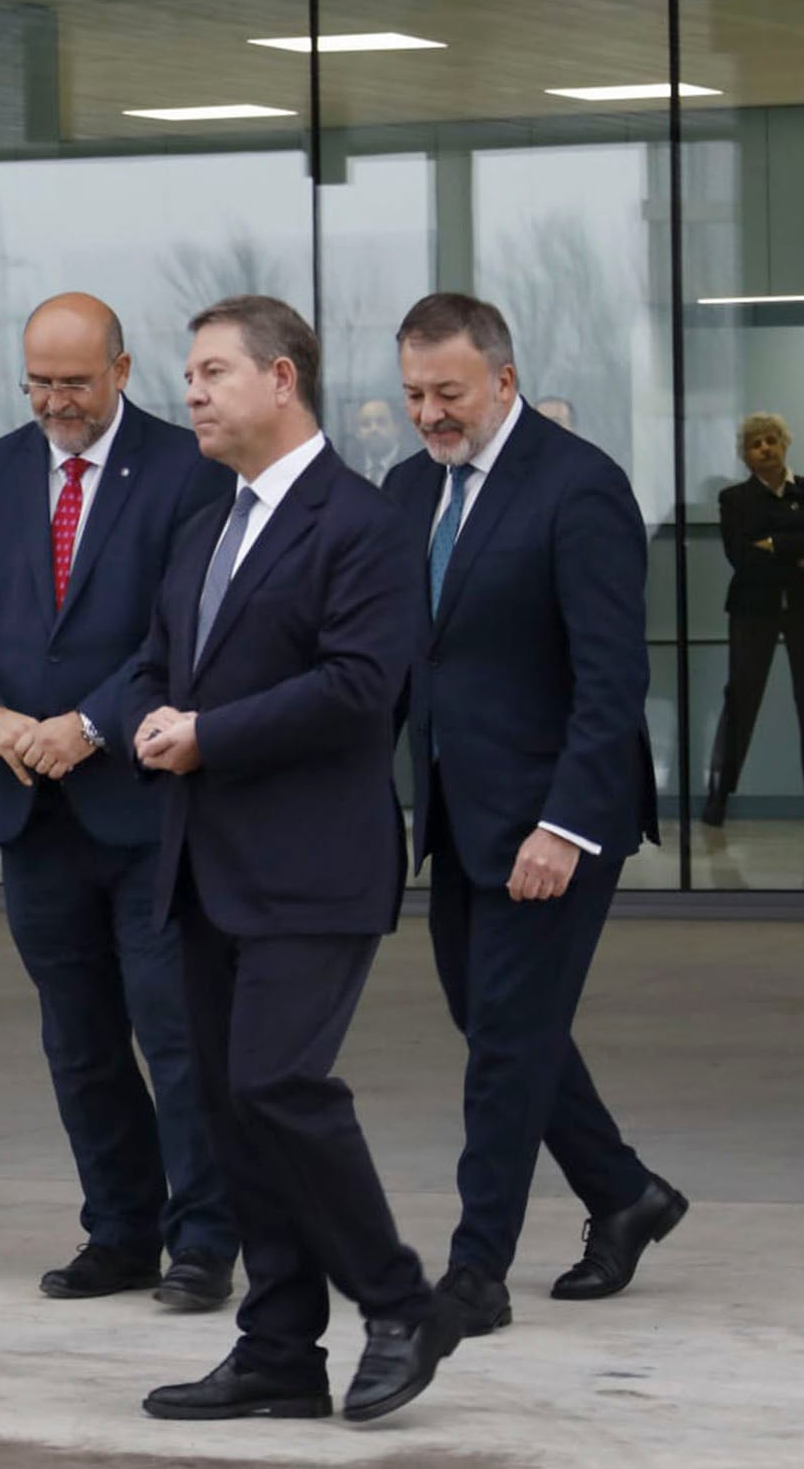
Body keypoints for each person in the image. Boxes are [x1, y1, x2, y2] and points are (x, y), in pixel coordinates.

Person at [129, 296, 454, 1426]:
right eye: (191, 374)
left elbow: (364, 687)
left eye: (215, 371)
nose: (194, 393)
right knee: (232, 1106)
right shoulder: (207, 526)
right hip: (205, 864)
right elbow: (158, 661)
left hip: (313, 865)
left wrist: (208, 733)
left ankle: (405, 1303)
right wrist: (115, 719)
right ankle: (277, 1345)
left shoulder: (359, 523)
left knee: (278, 1083)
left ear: (283, 379)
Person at [0, 292, 236, 1311]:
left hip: (143, 806)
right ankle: (120, 1230)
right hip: (29, 813)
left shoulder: (186, 471)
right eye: (39, 382)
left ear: (123, 372)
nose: (56, 402)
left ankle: (203, 1240)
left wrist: (87, 724)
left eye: (76, 384)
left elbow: (178, 636)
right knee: (78, 1036)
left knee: (173, 1029)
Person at [383, 293, 682, 1337]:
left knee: (507, 1040)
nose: (429, 414)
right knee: (499, 1022)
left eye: (449, 392)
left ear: (503, 381)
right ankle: (626, 1193)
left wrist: (565, 826)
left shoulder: (579, 487)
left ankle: (474, 1274)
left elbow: (611, 682)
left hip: (556, 819)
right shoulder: (407, 486)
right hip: (461, 817)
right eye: (415, 393)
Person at [703, 411, 804, 826]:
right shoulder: (734, 499)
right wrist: (794, 551)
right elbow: (740, 557)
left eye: (771, 440)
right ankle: (719, 796)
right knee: (741, 700)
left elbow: (759, 548)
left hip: (800, 608)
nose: (765, 448)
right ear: (745, 456)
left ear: (785, 444)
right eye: (756, 443)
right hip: (752, 610)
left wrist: (772, 543)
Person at [347, 397, 403, 485]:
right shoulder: (347, 467)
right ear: (358, 433)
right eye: (366, 424)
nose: (373, 429)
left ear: (397, 428)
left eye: (381, 422)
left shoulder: (414, 466)